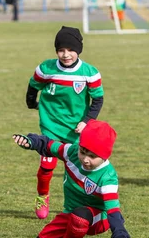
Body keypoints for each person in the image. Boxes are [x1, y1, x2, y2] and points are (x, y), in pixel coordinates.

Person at [12, 120, 139, 238]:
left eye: (92, 156)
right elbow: (48, 145)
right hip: (71, 214)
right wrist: (31, 141)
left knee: (80, 216)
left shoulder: (108, 177)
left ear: (104, 156)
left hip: (98, 219)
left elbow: (114, 213)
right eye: (83, 152)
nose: (85, 159)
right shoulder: (72, 152)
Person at [25, 26, 104, 220]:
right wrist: (31, 103)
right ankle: (43, 196)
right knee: (47, 164)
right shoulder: (46, 68)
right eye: (61, 50)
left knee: (77, 168)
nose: (66, 54)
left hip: (76, 130)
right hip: (50, 126)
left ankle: (77, 203)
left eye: (70, 50)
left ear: (79, 50)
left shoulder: (89, 73)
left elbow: (98, 100)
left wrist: (86, 121)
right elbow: (33, 86)